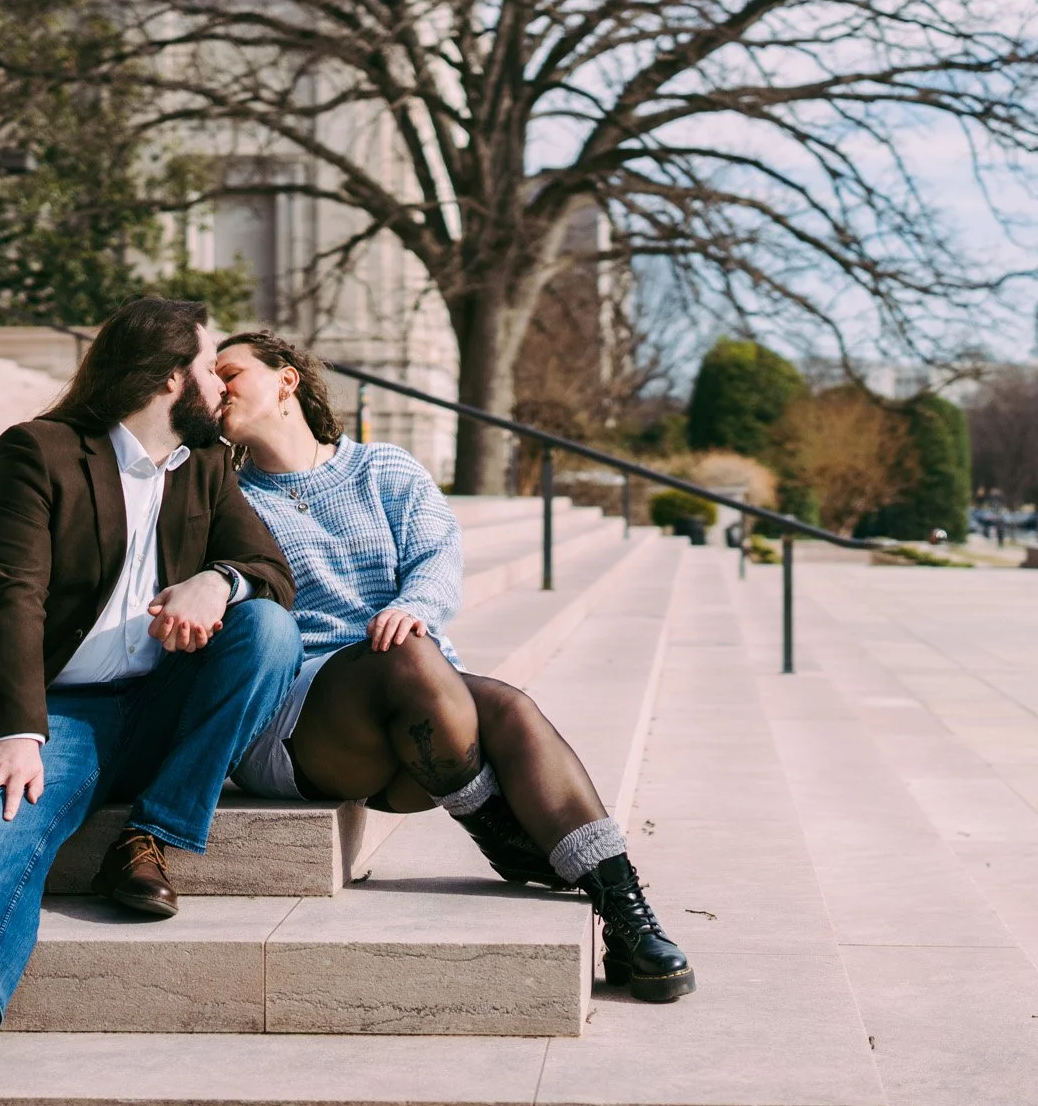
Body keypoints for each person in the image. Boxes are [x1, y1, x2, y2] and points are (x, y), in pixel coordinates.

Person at [0, 298, 301, 1064]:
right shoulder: (42, 452)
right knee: (10, 806)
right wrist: (15, 730)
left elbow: (272, 573)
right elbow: (13, 600)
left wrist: (220, 581)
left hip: (164, 702)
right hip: (60, 708)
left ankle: (153, 832)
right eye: (210, 366)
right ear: (171, 378)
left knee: (268, 627)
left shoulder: (204, 466)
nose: (222, 385)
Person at [214, 330, 695, 1004]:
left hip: (415, 712)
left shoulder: (384, 469)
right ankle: (491, 818)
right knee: (411, 660)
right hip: (301, 723)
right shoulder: (228, 496)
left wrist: (412, 604)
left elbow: (438, 556)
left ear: (287, 380)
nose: (215, 387)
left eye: (228, 371)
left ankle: (627, 912)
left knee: (507, 706)